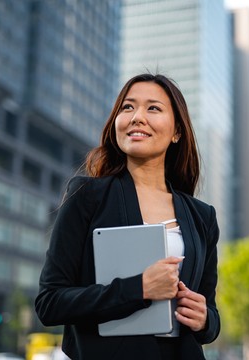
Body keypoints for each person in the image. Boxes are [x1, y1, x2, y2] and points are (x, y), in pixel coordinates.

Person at [35, 73, 220, 359]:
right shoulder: (86, 196)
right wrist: (140, 288)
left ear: (177, 132)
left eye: (153, 108)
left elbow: (210, 312)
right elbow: (50, 302)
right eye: (128, 107)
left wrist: (205, 319)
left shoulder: (202, 217)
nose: (137, 117)